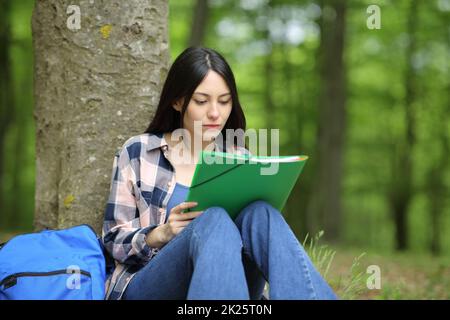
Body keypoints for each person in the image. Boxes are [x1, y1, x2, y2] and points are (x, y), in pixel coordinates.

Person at [102, 46, 337, 300]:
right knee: (213, 219)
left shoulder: (240, 158)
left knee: (262, 213)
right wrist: (161, 234)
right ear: (178, 101)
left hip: (228, 283)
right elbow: (113, 239)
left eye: (224, 101)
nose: (215, 113)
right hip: (151, 283)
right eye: (202, 101)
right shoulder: (140, 151)